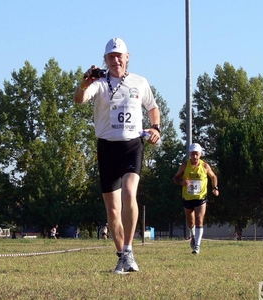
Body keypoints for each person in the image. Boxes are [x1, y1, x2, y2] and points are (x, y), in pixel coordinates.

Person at [74, 37, 161, 274]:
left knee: (130, 193)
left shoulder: (139, 82)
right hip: (107, 147)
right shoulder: (99, 83)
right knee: (112, 210)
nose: (115, 61)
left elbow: (153, 108)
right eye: (111, 57)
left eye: (119, 56)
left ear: (127, 57)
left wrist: (155, 128)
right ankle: (122, 255)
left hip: (132, 145)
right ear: (106, 59)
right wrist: (84, 83)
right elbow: (79, 100)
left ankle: (130, 249)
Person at [173, 143, 219, 254]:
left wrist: (215, 188)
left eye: (196, 154)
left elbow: (213, 177)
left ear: (200, 154)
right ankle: (193, 236)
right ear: (189, 154)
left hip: (201, 197)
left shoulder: (205, 166)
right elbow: (175, 178)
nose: (194, 157)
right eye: (192, 154)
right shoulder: (185, 165)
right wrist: (182, 182)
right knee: (191, 222)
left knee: (199, 219)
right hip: (188, 197)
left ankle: (197, 246)